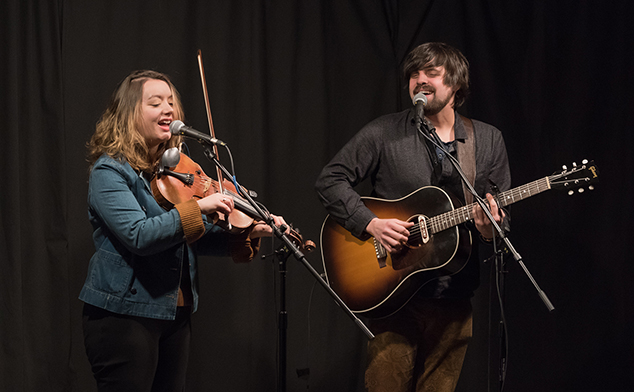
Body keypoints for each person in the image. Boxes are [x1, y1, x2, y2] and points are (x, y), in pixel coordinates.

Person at [314, 42, 510, 391]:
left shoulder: (488, 140)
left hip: (455, 297)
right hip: (393, 295)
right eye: (413, 74)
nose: (419, 80)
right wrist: (371, 223)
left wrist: (489, 229)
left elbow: (498, 220)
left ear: (456, 84)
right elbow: (330, 180)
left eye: (431, 73)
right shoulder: (384, 132)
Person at [80, 69, 286, 392]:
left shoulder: (175, 172)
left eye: (171, 102)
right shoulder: (110, 171)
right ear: (130, 114)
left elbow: (188, 238)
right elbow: (140, 235)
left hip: (174, 313)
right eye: (156, 102)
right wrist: (200, 208)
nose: (168, 109)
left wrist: (250, 232)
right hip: (124, 316)